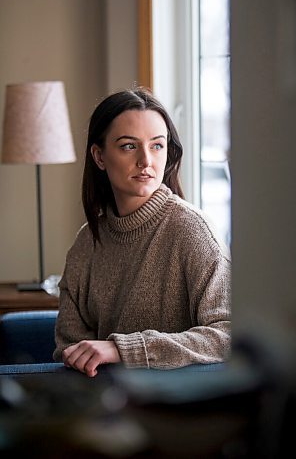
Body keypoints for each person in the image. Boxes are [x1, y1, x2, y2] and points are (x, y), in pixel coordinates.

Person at [53, 87, 231, 377]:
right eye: (128, 146)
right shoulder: (86, 243)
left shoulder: (194, 233)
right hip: (105, 407)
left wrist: (123, 350)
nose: (146, 161)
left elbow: (228, 335)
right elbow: (70, 349)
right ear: (99, 156)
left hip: (180, 408)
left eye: (157, 145)